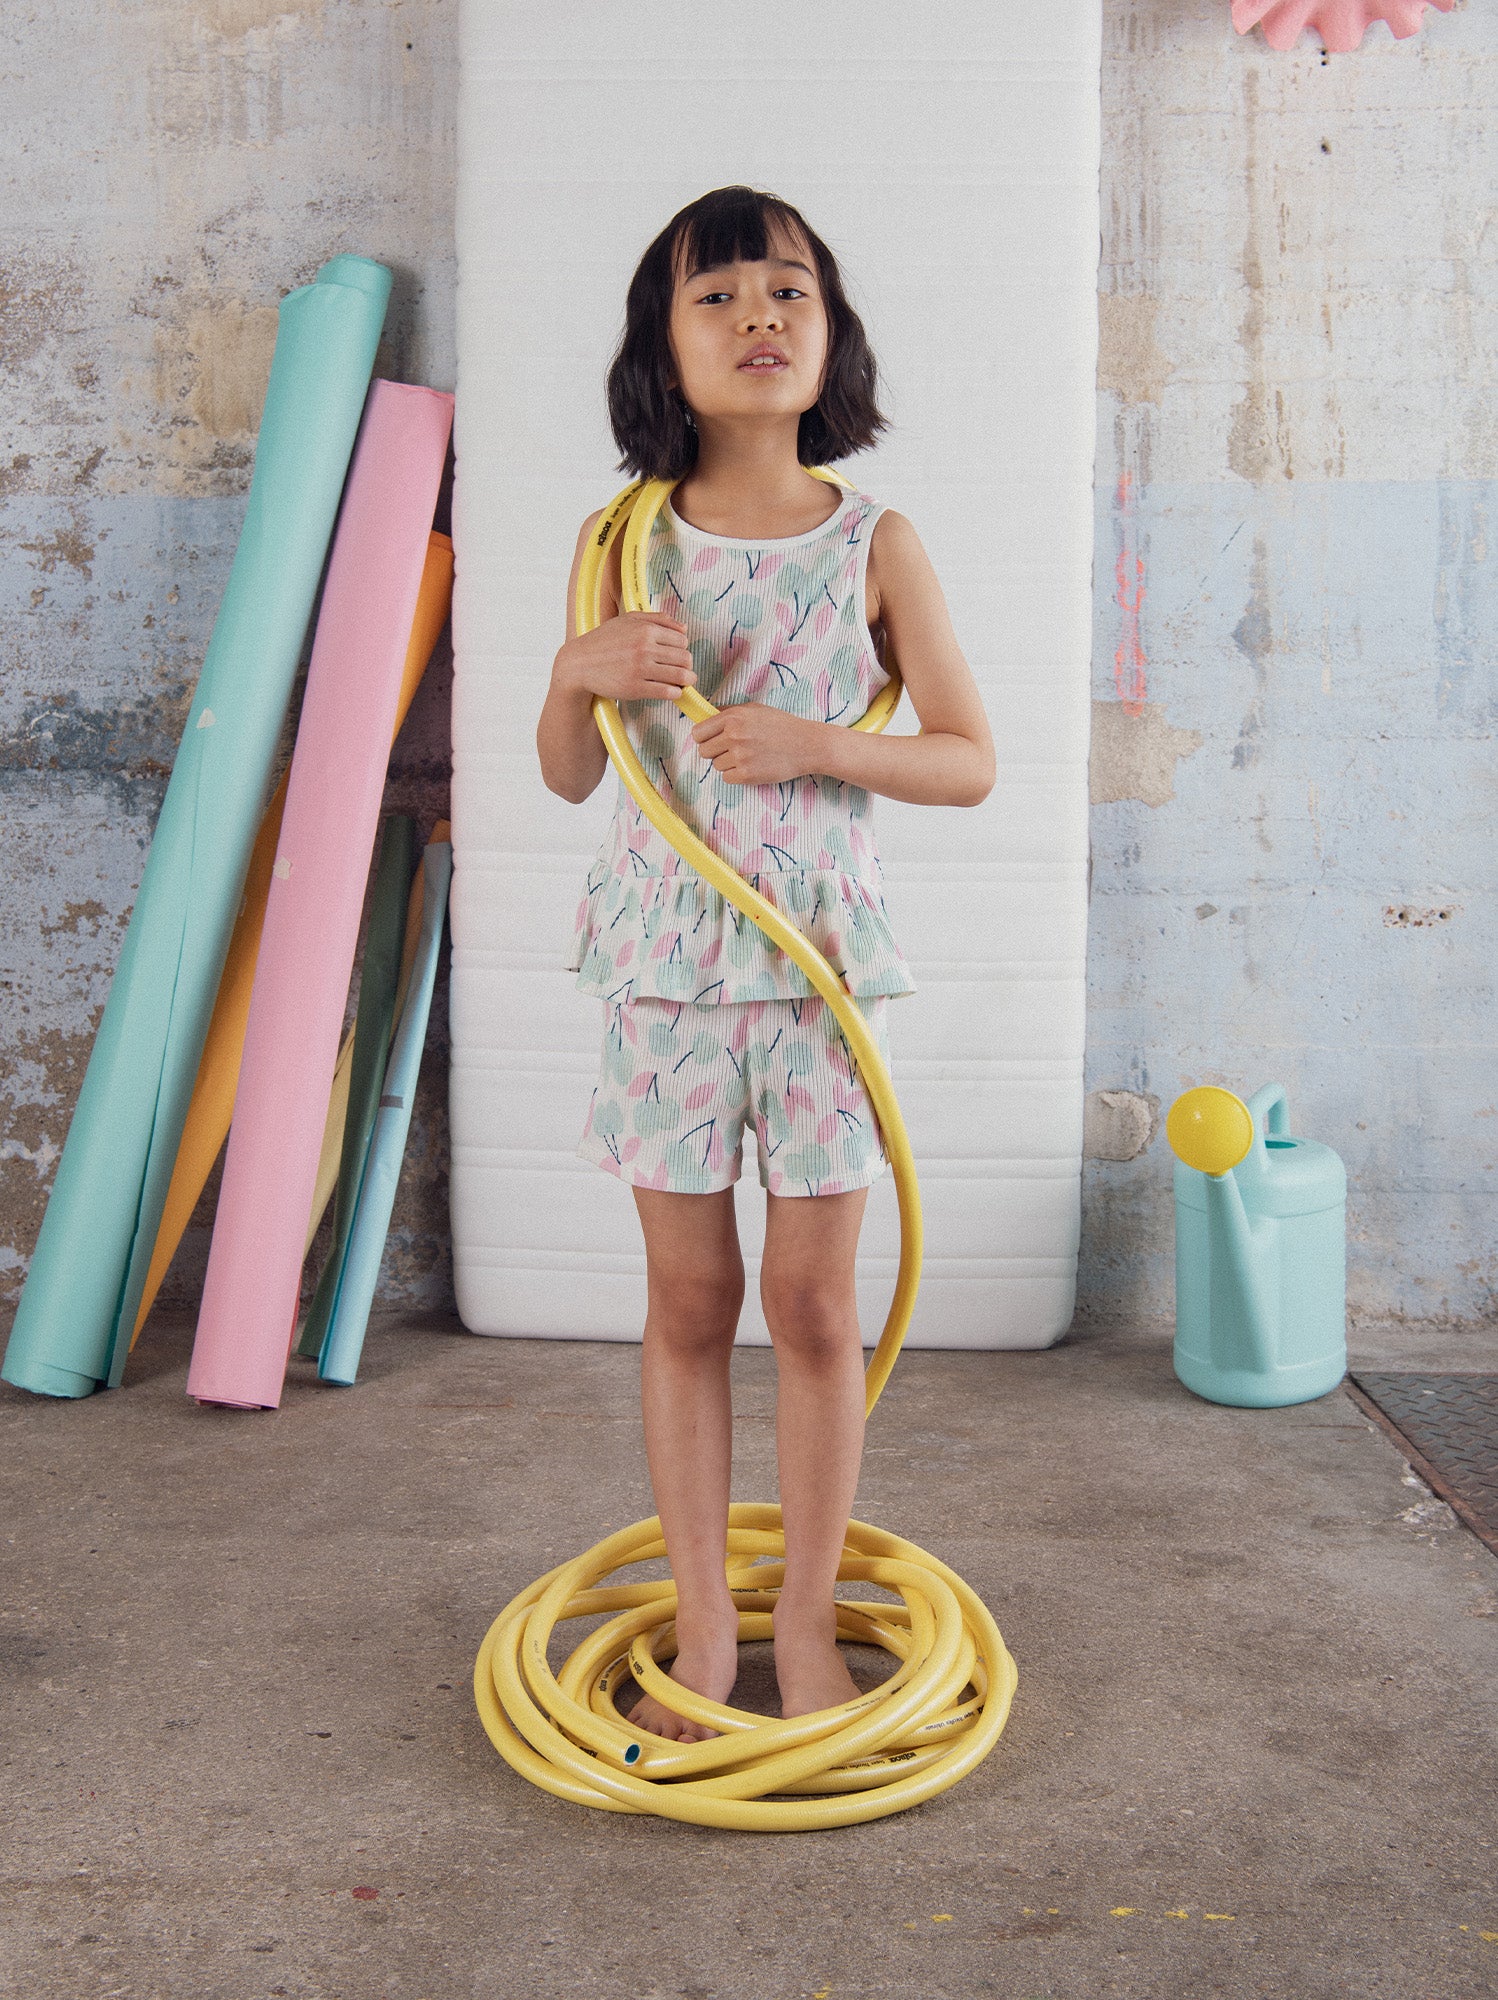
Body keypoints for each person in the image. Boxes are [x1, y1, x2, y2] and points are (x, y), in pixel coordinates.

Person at [536, 186, 994, 1743]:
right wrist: (572, 672)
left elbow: (968, 760)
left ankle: (803, 1617)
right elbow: (569, 773)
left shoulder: (878, 542)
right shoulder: (619, 542)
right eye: (716, 296)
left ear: (829, 334)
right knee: (685, 1298)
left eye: (786, 291)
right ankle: (703, 1622)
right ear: (662, 348)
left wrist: (815, 746)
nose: (757, 318)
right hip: (662, 973)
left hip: (813, 985)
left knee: (808, 1305)